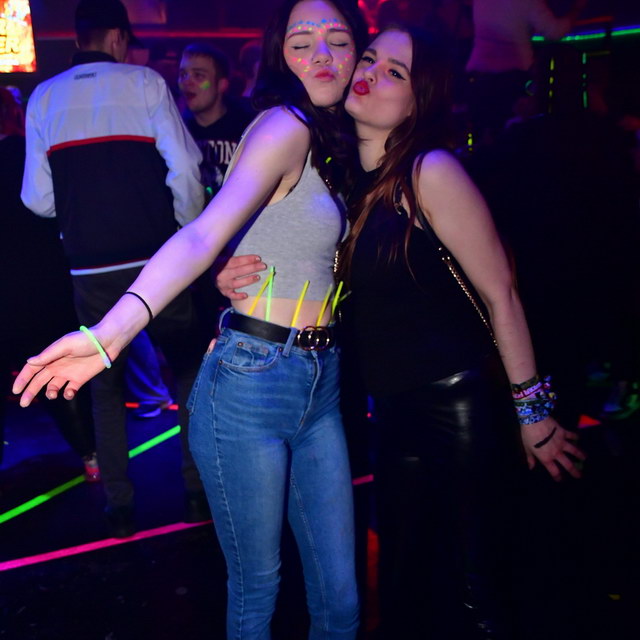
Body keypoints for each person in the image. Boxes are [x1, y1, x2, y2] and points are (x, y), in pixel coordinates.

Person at [218, 24, 586, 640]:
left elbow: (501, 290)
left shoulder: (430, 170)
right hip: (389, 411)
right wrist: (227, 277)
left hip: (456, 404)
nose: (369, 73)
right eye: (369, 58)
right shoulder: (343, 184)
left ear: (419, 100)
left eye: (395, 72)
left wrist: (533, 413)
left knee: (474, 589)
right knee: (403, 584)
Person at [14, 0, 368, 637]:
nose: (321, 54)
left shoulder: (339, 143)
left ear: (357, 54)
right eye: (301, 42)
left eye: (337, 40)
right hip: (254, 379)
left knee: (340, 601)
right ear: (279, 55)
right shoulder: (284, 125)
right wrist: (111, 333)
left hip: (322, 379)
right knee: (258, 592)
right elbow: (203, 231)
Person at [20, 0, 207, 537]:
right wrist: (189, 234)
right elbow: (186, 169)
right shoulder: (144, 83)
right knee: (187, 372)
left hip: (91, 269)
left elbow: (36, 199)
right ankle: (196, 492)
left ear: (78, 37)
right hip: (158, 262)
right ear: (119, 38)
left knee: (103, 385)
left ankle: (119, 506)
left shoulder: (44, 96)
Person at [466, 0, 586, 144]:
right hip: (513, 79)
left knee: (483, 141)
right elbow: (554, 31)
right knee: (513, 141)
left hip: (480, 77)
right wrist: (577, 8)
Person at [179, 42, 254, 201]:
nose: (187, 82)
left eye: (198, 75)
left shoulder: (247, 128)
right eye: (183, 74)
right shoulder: (176, 131)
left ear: (221, 85)